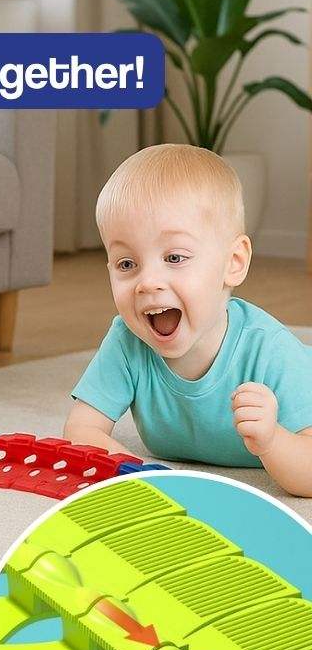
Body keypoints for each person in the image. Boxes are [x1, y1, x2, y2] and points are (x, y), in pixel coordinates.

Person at [65, 144, 312, 496]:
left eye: (175, 257)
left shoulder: (271, 351)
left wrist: (273, 441)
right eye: (126, 264)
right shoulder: (127, 341)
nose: (147, 282)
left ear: (234, 263)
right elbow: (81, 430)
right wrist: (144, 478)